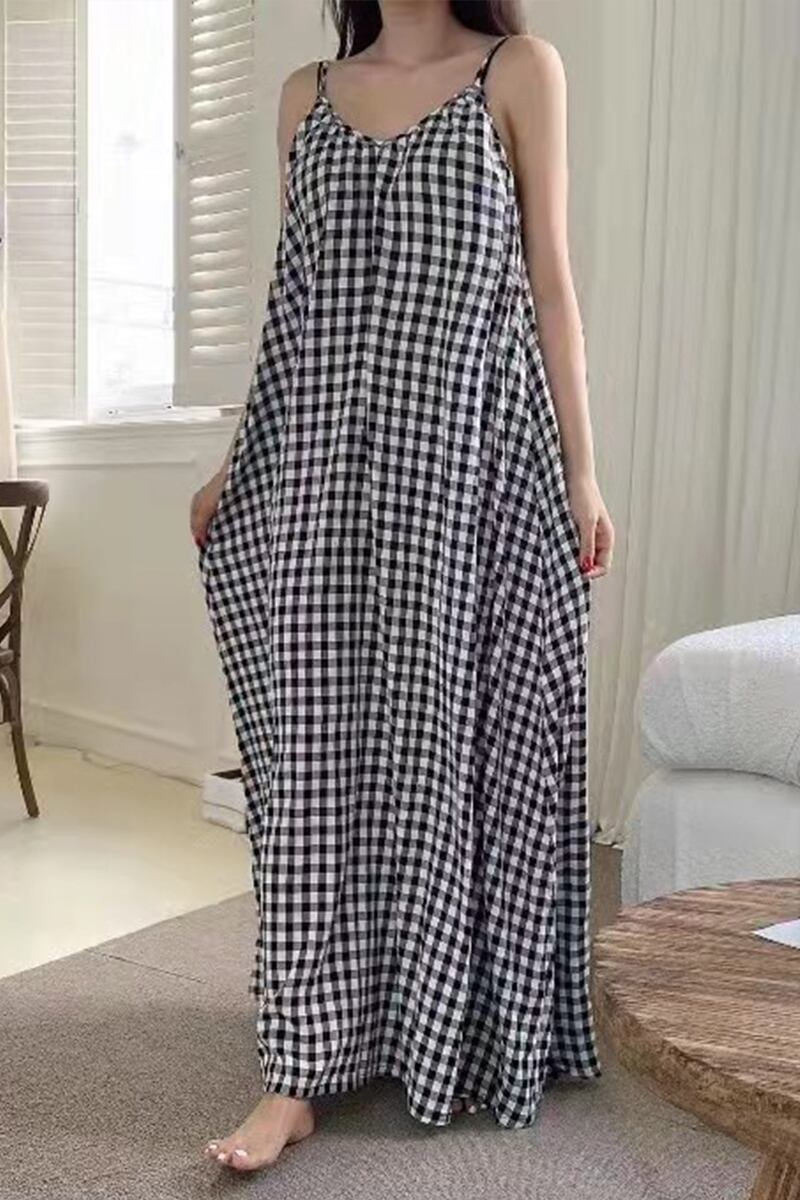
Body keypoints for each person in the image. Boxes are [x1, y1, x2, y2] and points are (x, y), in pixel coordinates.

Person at [190, 0, 614, 1173]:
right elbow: (294, 307)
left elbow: (548, 283)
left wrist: (580, 472)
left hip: (469, 460)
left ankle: (436, 1015)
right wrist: (237, 461)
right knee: (315, 754)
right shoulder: (305, 97)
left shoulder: (516, 71)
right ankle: (295, 1070)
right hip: (322, 463)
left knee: (451, 743)